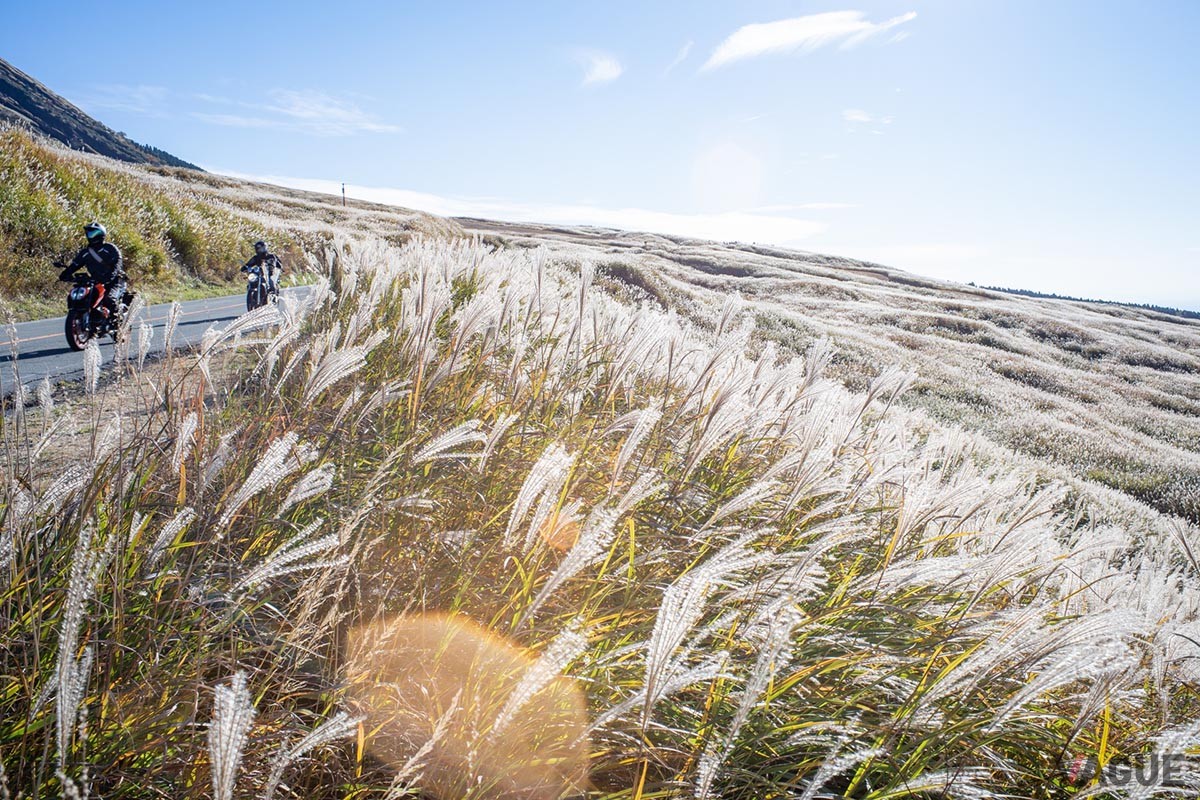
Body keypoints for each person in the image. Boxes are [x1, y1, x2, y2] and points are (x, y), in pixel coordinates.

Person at [58, 222, 127, 320]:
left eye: (93, 233)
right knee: (84, 297)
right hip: (96, 281)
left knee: (109, 299)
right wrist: (65, 274)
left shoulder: (110, 248)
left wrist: (111, 276)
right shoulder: (85, 252)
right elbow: (75, 265)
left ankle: (117, 322)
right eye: (89, 233)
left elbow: (117, 263)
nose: (90, 236)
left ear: (101, 234)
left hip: (115, 280)